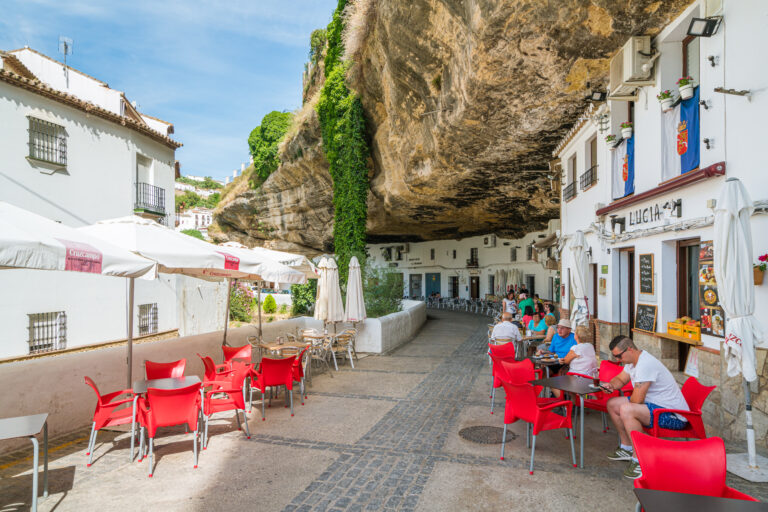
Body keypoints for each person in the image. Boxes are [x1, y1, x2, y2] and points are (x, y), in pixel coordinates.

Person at [603, 335, 691, 480]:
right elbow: (620, 379)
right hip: (655, 406)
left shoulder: (645, 364)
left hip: (674, 416)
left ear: (629, 349)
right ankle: (626, 447)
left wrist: (626, 402)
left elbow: (637, 400)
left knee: (627, 409)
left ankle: (640, 459)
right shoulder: (632, 362)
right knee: (612, 404)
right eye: (615, 357)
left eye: (619, 356)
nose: (618, 360)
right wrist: (610, 385)